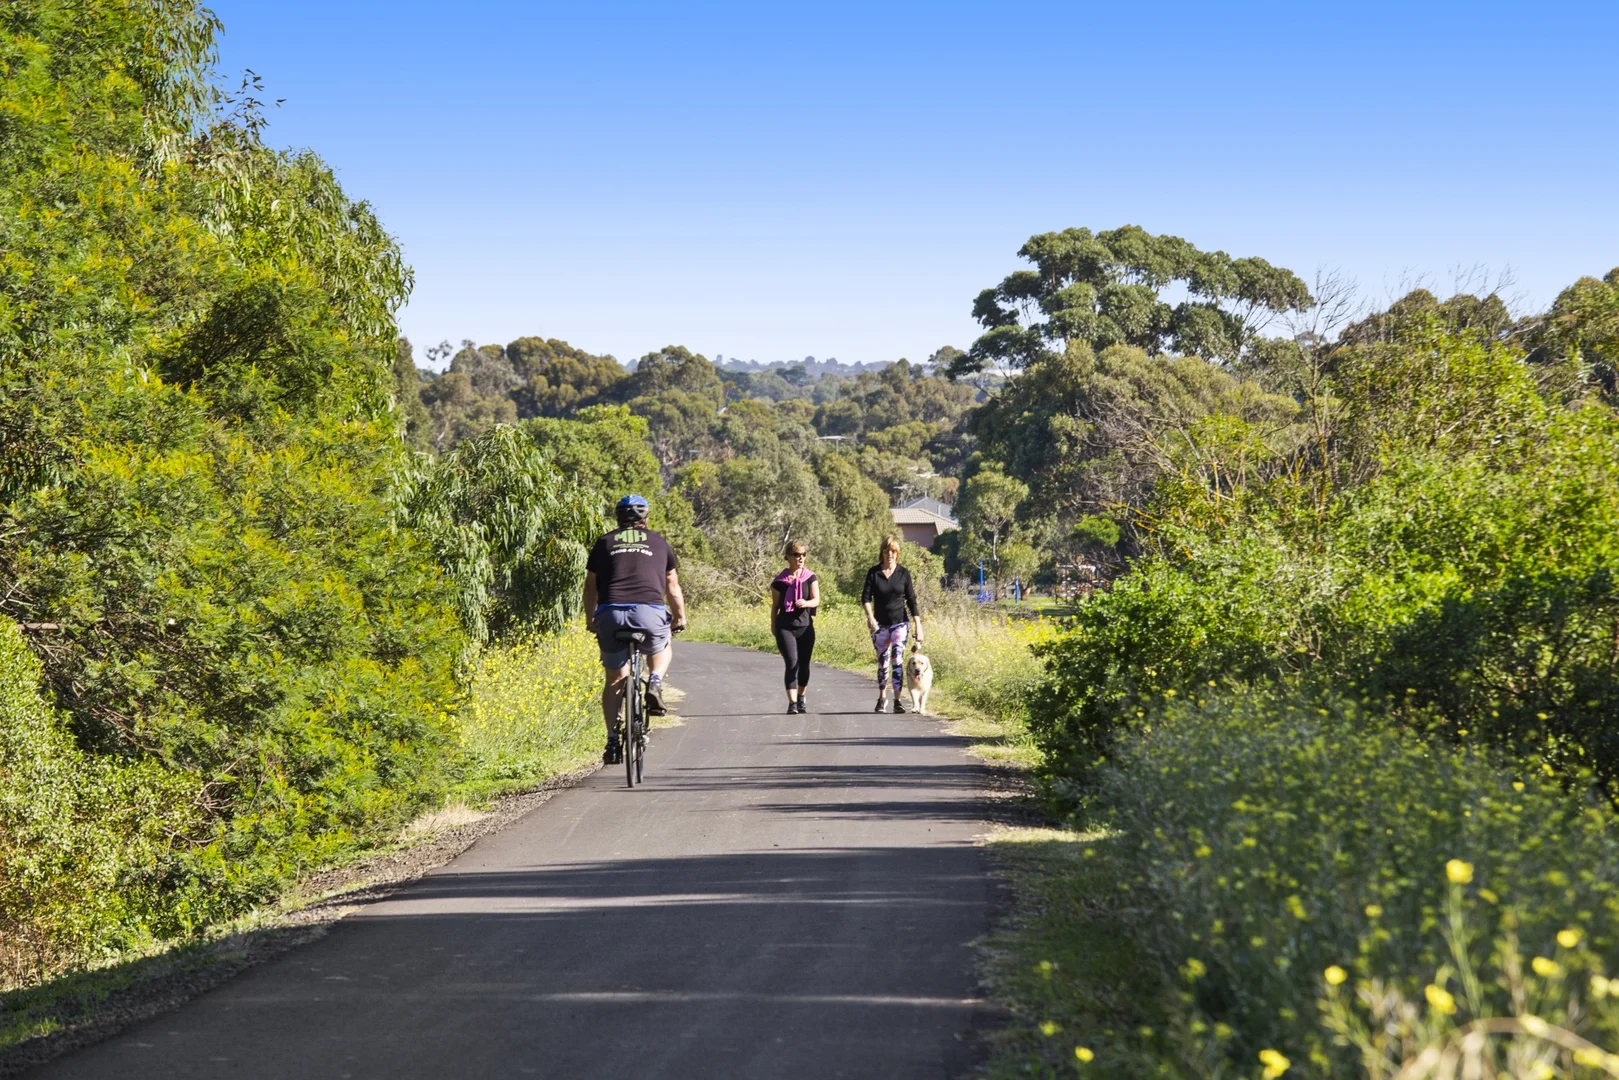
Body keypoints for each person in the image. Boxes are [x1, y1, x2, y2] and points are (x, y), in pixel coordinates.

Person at [583, 494, 686, 765]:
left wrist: (590, 619)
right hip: (649, 613)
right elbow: (672, 586)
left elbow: (590, 586)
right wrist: (679, 618)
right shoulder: (659, 542)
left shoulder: (604, 542)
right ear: (646, 519)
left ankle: (612, 740)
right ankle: (654, 681)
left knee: (615, 678)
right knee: (662, 646)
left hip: (611, 614)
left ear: (618, 519)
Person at [861, 535, 922, 714]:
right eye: (887, 551)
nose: (890, 554)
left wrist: (918, 625)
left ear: (898, 553)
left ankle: (897, 700)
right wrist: (870, 618)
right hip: (879, 625)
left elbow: (912, 600)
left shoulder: (903, 573)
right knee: (883, 662)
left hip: (899, 623)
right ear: (882, 552)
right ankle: (882, 697)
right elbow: (865, 598)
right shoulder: (874, 573)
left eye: (894, 551)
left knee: (897, 658)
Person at [769, 540, 820, 714]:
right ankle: (792, 704)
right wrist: (773, 626)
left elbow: (816, 600)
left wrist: (806, 603)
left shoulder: (810, 577)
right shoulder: (779, 582)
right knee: (791, 662)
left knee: (803, 664)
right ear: (788, 557)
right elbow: (775, 606)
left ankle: (801, 698)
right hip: (785, 626)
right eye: (797, 555)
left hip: (805, 626)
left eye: (803, 555)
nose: (800, 558)